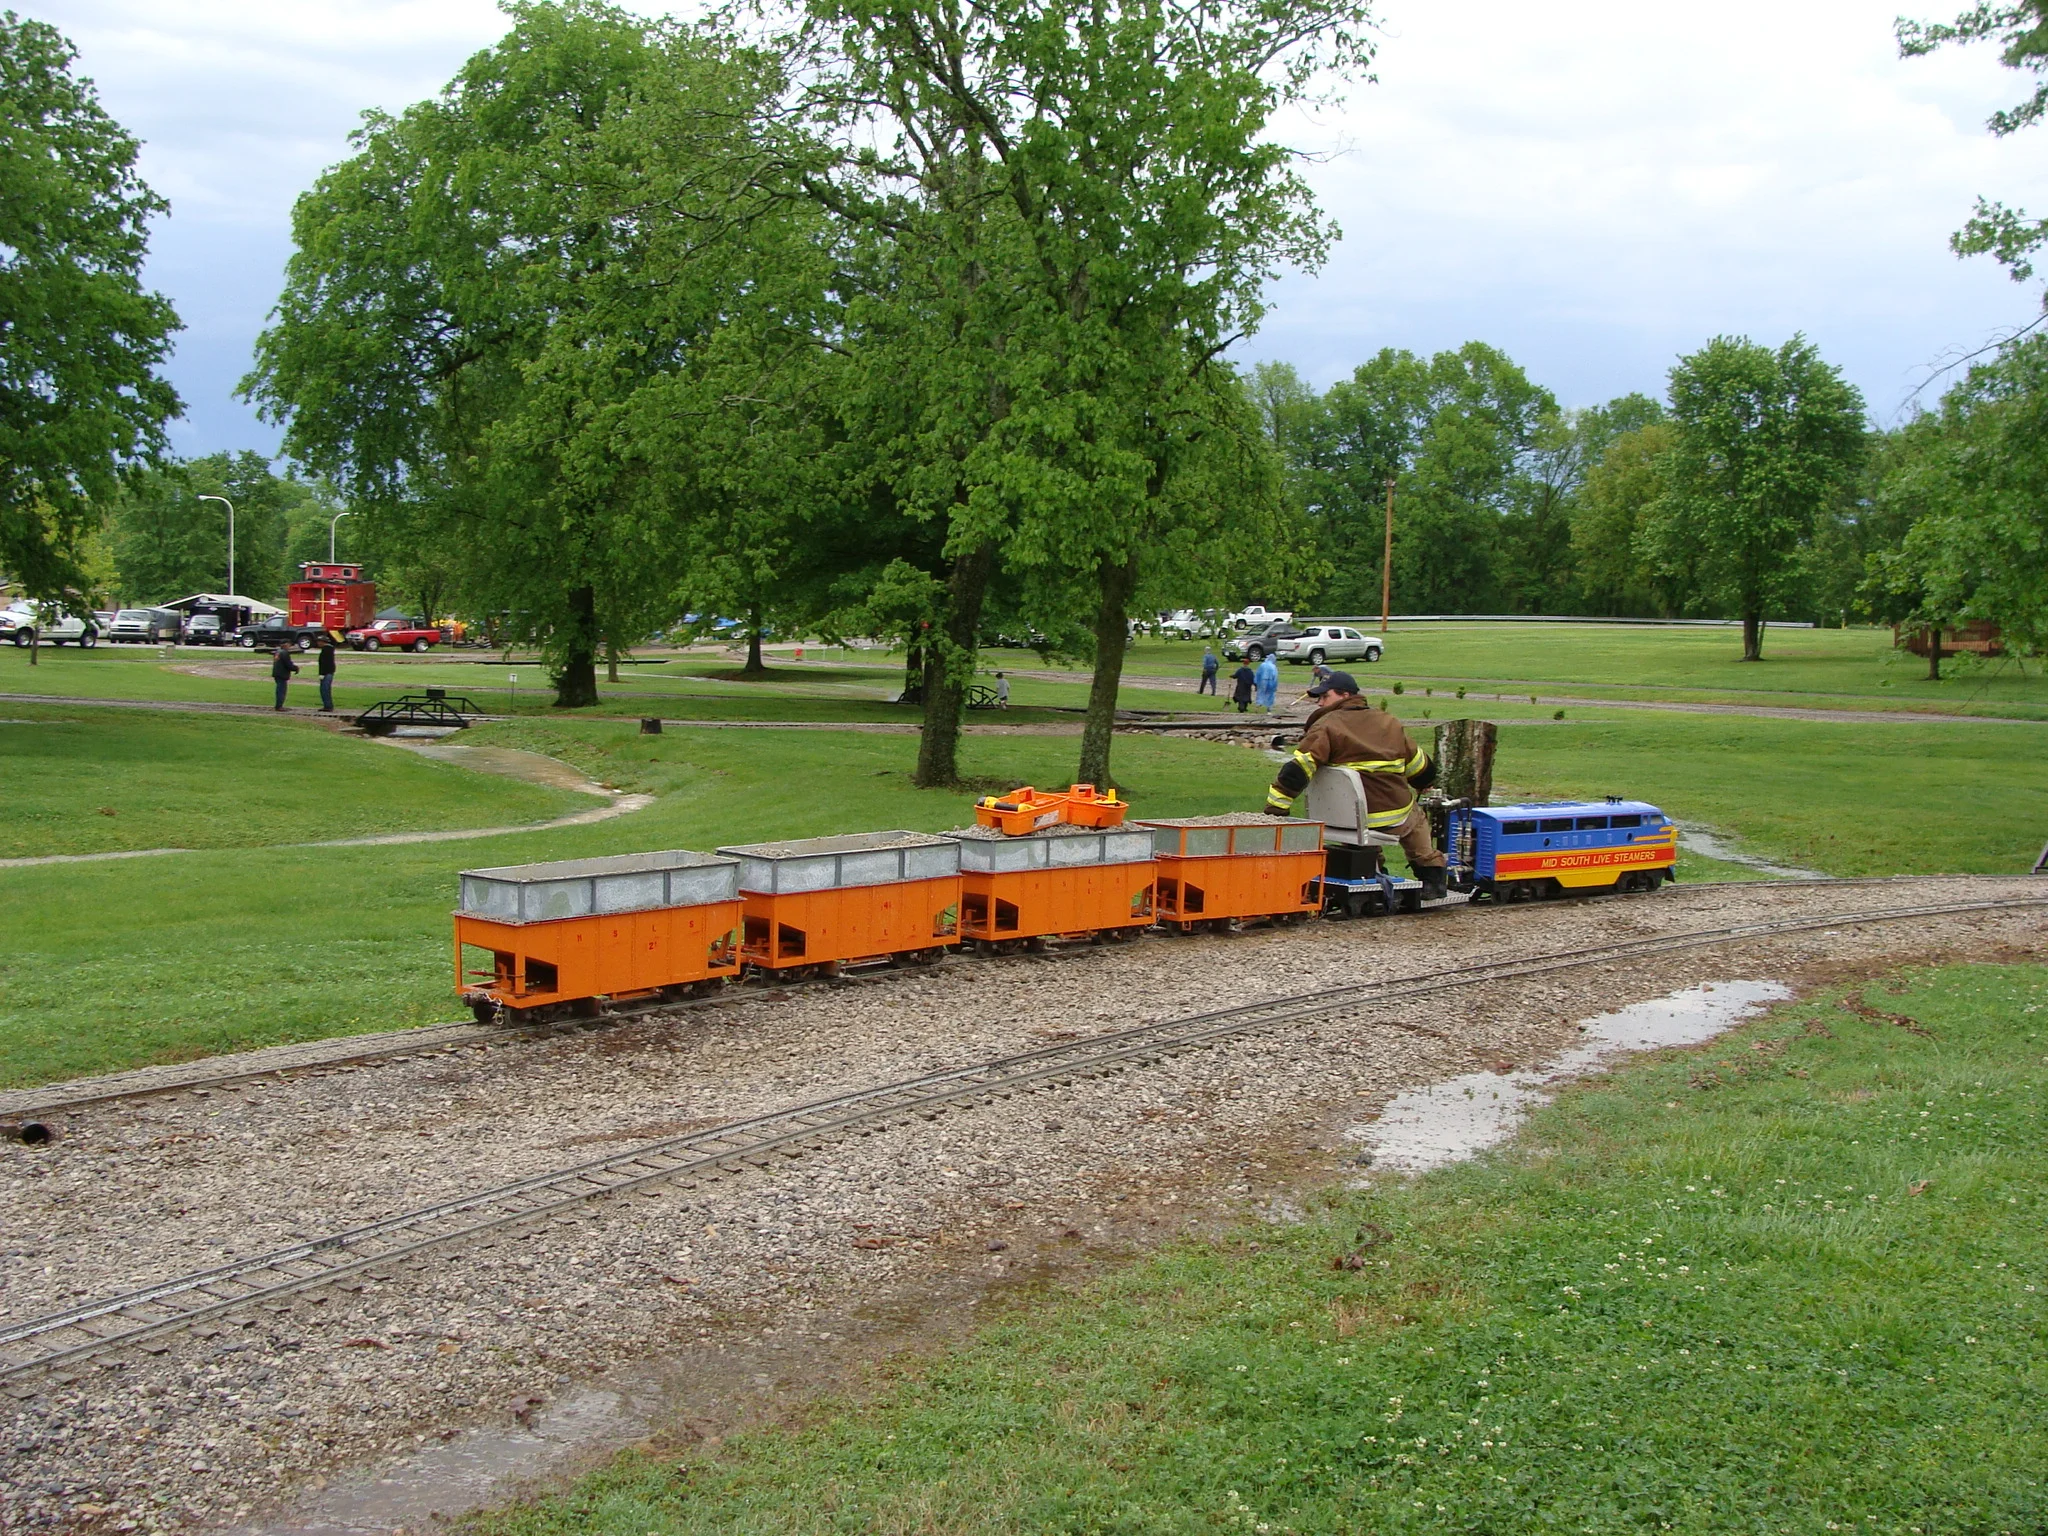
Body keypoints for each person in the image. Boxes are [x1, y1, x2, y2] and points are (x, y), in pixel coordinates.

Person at [1264, 669, 1448, 900]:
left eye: (1324, 696)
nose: (1319, 702)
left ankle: (1375, 869)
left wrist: (1276, 809)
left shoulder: (1325, 727)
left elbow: (1296, 770)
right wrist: (1425, 783)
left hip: (1345, 821)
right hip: (1391, 817)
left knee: (1371, 821)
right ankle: (1432, 876)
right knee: (1415, 817)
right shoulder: (1388, 722)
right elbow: (1418, 765)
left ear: (1344, 695)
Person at [271, 645, 299, 711]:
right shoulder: (284, 653)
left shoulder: (277, 652)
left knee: (279, 690)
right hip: (282, 674)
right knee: (281, 691)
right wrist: (295, 668)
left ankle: (279, 705)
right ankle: (279, 706)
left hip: (277, 673)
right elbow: (288, 664)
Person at [316, 633, 338, 713]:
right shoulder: (329, 649)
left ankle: (328, 706)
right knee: (325, 689)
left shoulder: (326, 650)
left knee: (325, 689)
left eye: (319, 641)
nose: (318, 643)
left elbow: (325, 663)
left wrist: (322, 673)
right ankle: (327, 705)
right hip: (328, 672)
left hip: (326, 672)